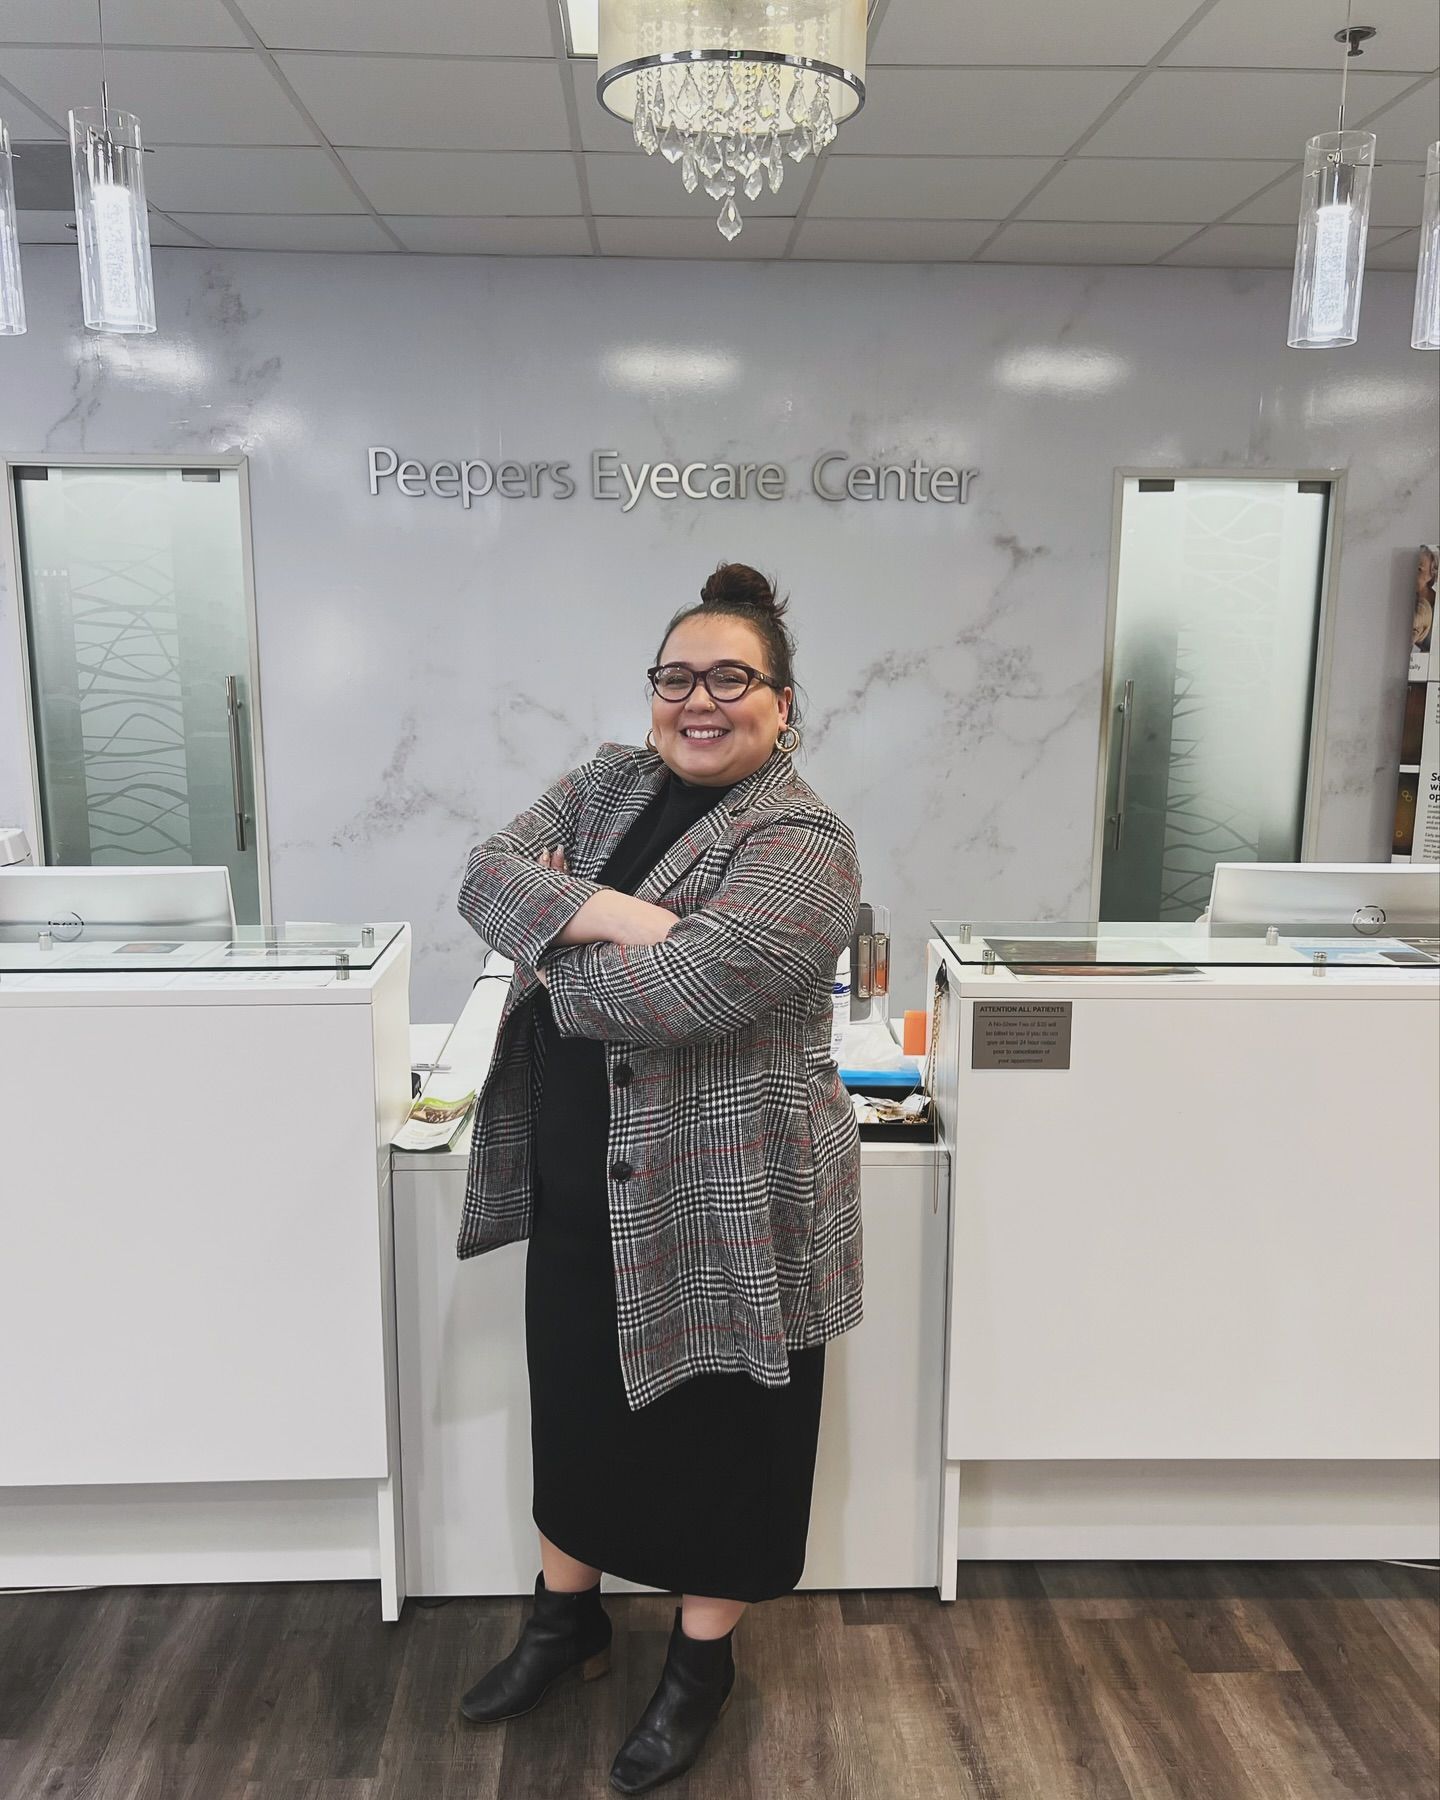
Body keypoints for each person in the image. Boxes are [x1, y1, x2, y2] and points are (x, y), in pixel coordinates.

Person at [453, 561, 863, 1793]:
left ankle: (699, 1669)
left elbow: (689, 990)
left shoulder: (806, 842)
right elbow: (483, 875)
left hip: (730, 1193)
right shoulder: (609, 781)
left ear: (782, 704)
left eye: (732, 678)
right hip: (585, 1174)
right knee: (577, 1404)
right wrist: (632, 916)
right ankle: (563, 1623)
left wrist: (553, 934)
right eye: (677, 677)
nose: (700, 700)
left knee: (725, 1436)